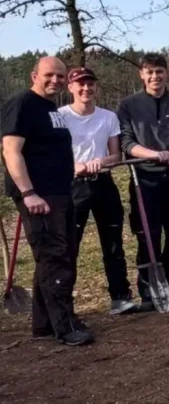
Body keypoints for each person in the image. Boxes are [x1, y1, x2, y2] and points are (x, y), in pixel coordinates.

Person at [2, 57, 91, 345]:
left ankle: (44, 324)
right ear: (34, 76)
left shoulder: (51, 108)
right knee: (55, 259)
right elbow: (11, 151)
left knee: (58, 256)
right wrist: (28, 193)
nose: (56, 80)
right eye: (49, 75)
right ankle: (65, 327)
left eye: (61, 76)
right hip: (39, 196)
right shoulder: (22, 104)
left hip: (61, 192)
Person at [117, 53, 169, 306]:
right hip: (144, 179)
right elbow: (126, 142)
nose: (155, 77)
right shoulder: (128, 105)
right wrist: (152, 154)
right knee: (147, 235)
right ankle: (148, 292)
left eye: (159, 71)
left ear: (166, 74)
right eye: (150, 72)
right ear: (142, 75)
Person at [59, 68, 137, 315]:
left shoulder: (108, 117)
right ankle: (64, 304)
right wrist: (75, 166)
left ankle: (120, 297)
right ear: (71, 87)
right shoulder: (61, 116)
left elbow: (115, 155)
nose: (86, 89)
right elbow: (54, 155)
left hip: (103, 184)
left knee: (113, 243)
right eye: (80, 84)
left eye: (90, 84)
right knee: (70, 245)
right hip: (73, 187)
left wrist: (100, 161)